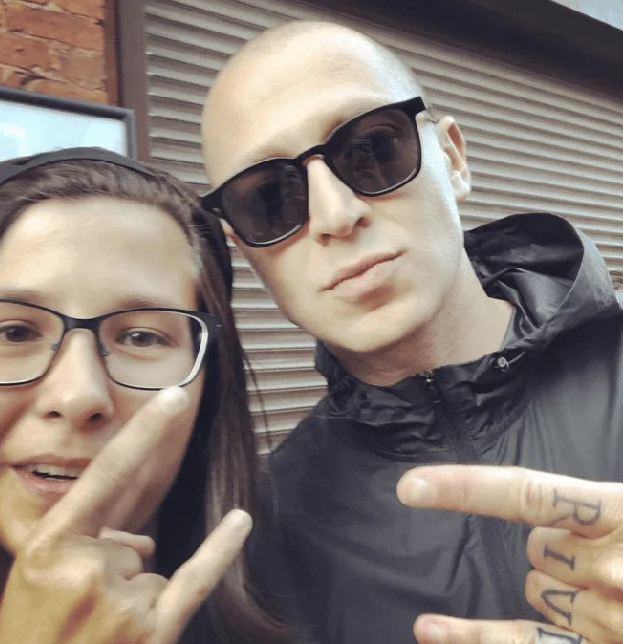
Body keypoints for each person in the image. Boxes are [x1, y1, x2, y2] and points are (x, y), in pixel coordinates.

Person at [200, 20, 623, 644]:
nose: (336, 215)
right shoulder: (263, 541)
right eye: (270, 198)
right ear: (245, 249)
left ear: (452, 159)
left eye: (370, 149)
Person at [0, 147, 289, 644]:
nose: (79, 396)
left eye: (141, 337)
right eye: (15, 332)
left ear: (208, 386)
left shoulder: (314, 600)